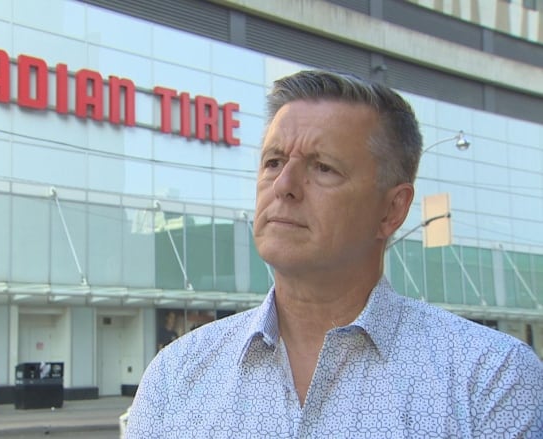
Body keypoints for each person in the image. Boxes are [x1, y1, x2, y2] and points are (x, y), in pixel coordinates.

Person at [125, 70, 543, 437]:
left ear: (392, 209)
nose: (284, 184)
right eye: (273, 162)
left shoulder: (488, 381)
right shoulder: (174, 377)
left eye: (323, 167)